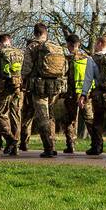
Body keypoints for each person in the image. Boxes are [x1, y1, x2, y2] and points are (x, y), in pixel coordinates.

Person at [22, 23, 68, 158]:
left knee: (42, 116)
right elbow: (64, 68)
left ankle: (48, 147)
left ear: (35, 33)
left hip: (39, 86)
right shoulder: (56, 47)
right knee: (51, 115)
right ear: (46, 33)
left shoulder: (32, 47)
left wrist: (23, 80)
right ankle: (53, 145)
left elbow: (26, 68)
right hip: (55, 86)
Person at [61, 34, 91, 154]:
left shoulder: (68, 59)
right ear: (79, 44)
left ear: (69, 44)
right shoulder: (88, 58)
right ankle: (96, 145)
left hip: (72, 94)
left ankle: (70, 145)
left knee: (69, 120)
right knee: (89, 119)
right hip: (86, 94)